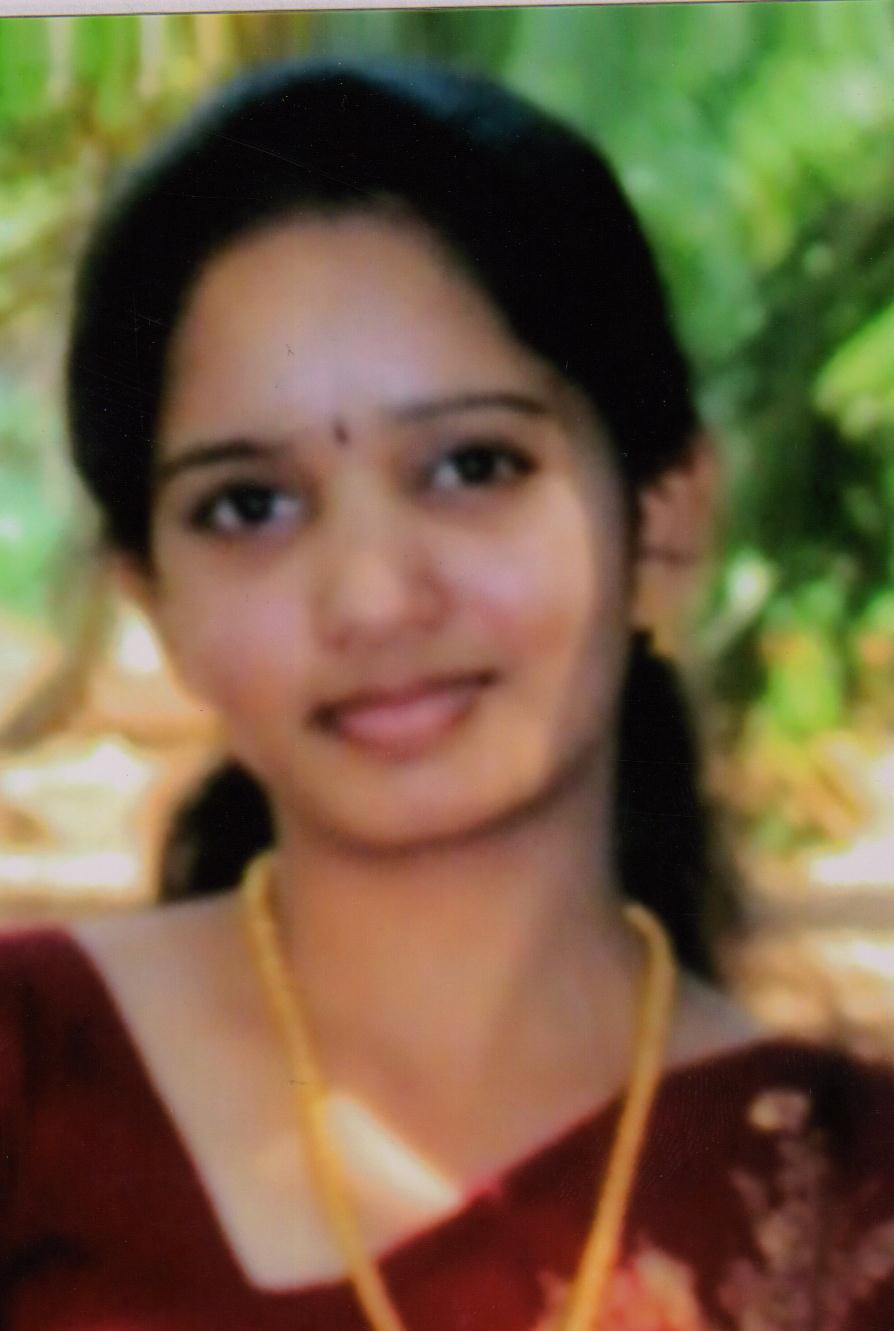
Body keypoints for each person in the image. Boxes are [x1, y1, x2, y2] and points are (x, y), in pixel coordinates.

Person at [2, 58, 894, 1331]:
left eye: (473, 466)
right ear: (155, 599)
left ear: (664, 520)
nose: (373, 598)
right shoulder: (35, 1078)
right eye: (249, 505)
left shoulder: (851, 1201)